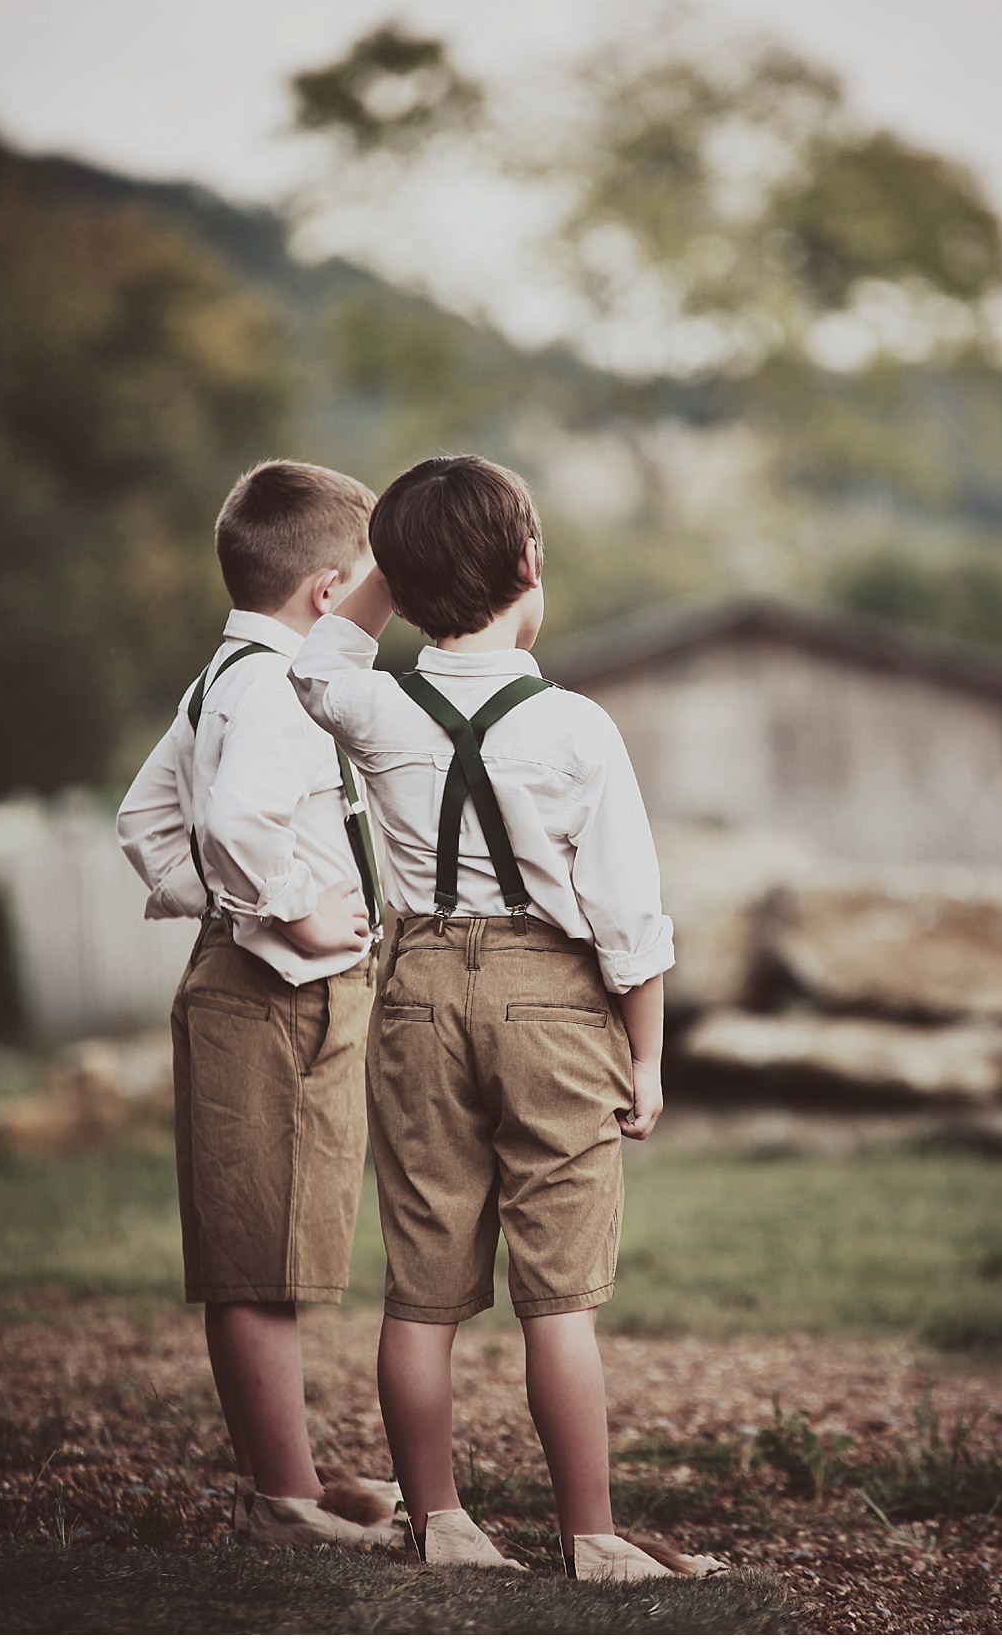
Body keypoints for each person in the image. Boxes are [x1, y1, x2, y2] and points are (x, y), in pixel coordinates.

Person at [289, 454, 727, 1581]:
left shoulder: (376, 705)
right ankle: (591, 1537)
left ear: (402, 575)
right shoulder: (576, 727)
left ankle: (443, 1523)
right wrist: (648, 1054)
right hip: (552, 998)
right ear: (531, 562)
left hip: (419, 990)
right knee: (559, 1294)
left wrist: (387, 566)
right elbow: (630, 915)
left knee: (422, 1288)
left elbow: (319, 654)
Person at [117, 460, 400, 1551]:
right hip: (275, 996)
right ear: (330, 593)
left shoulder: (222, 673)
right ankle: (282, 1500)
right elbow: (233, 823)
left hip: (261, 985)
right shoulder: (277, 686)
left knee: (278, 1237)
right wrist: (286, 914)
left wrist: (235, 912)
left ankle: (293, 1475)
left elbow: (148, 823)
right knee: (258, 1250)